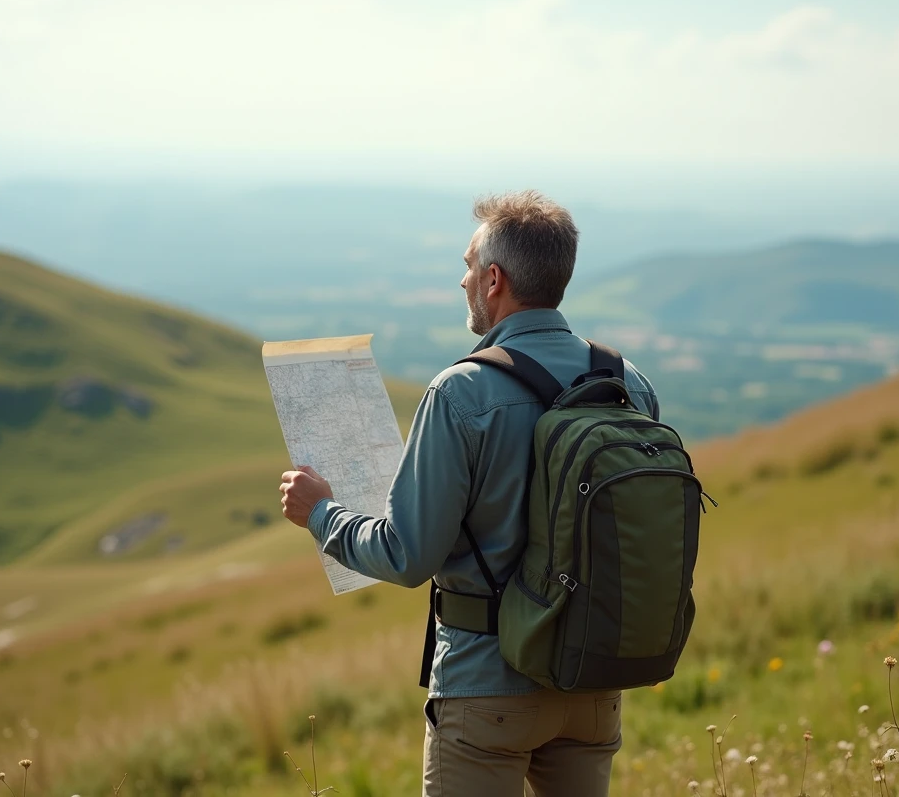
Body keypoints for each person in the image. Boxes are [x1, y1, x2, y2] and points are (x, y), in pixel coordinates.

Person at [279, 190, 660, 796]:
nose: (461, 282)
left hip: (489, 684)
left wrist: (322, 514)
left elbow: (408, 557)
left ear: (494, 280)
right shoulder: (627, 382)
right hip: (593, 679)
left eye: (466, 267)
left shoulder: (461, 392)